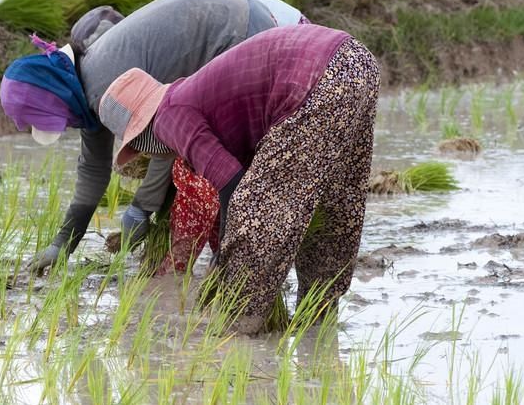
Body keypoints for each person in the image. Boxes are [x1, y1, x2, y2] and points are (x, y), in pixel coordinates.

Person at [97, 24, 380, 334]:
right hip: (356, 62)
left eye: (139, 146)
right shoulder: (195, 94)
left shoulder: (168, 115)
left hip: (312, 76)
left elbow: (232, 185)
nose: (148, 154)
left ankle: (239, 329)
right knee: (334, 203)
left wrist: (224, 259)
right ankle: (318, 319)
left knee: (257, 210)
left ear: (143, 131)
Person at [0, 0, 278, 274]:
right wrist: (62, 244)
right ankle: (218, 264)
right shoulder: (83, 86)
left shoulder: (103, 86)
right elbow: (93, 170)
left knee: (208, 163)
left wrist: (141, 207)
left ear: (53, 99)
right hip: (235, 16)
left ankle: (237, 267)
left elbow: (167, 139)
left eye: (54, 119)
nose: (66, 125)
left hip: (236, 32)